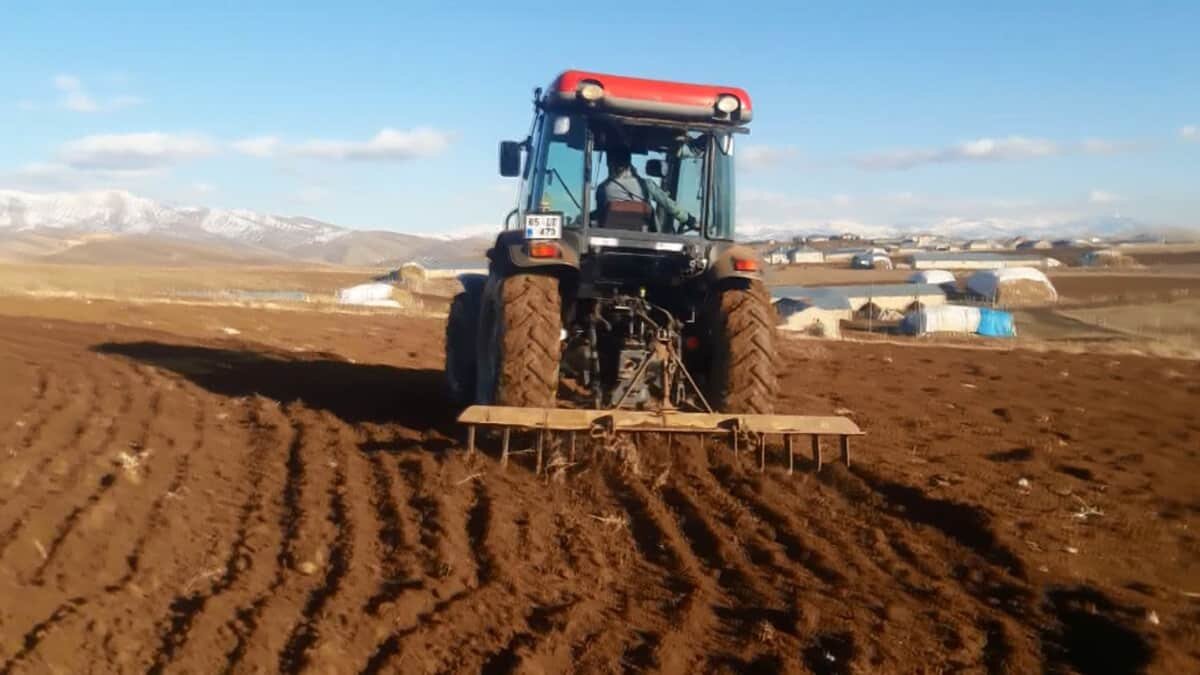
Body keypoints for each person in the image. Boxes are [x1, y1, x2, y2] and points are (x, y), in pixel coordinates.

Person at [595, 145, 697, 233]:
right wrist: (689, 220)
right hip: (647, 239)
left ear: (610, 163)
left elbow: (601, 215)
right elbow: (669, 205)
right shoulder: (646, 185)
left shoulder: (603, 188)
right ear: (629, 163)